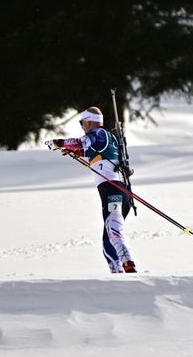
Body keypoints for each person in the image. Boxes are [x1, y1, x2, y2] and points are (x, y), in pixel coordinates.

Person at [47, 108, 137, 273]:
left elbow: (82, 143)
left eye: (82, 123)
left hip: (113, 192)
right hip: (119, 192)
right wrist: (70, 150)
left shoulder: (98, 133)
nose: (82, 127)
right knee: (107, 242)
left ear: (88, 121)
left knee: (113, 231)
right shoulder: (106, 138)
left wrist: (58, 143)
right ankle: (119, 276)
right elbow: (86, 150)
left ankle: (128, 265)